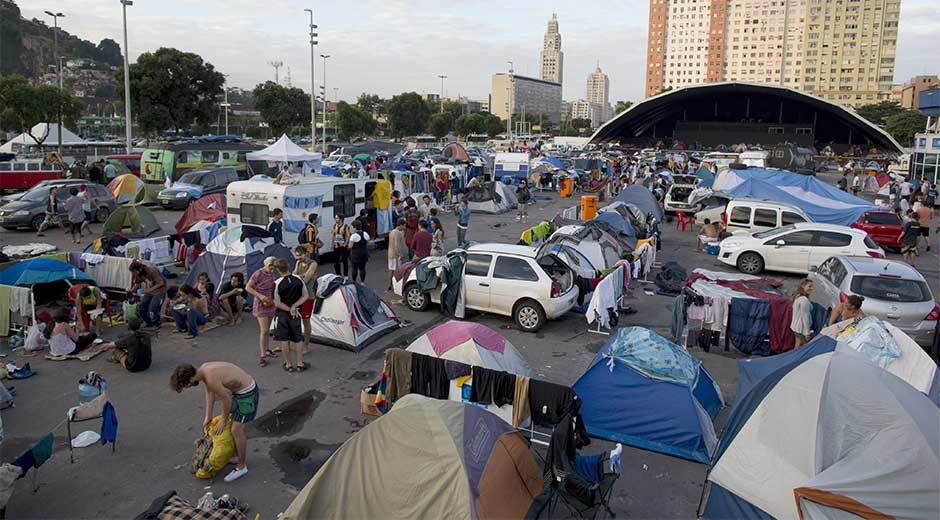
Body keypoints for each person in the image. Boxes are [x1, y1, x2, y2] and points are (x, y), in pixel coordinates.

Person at [170, 362, 258, 483]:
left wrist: (223, 420)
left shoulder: (210, 377)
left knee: (236, 429)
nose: (188, 387)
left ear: (190, 379)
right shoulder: (204, 370)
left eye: (186, 385)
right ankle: (236, 456)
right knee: (232, 427)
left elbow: (225, 399)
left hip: (247, 395)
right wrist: (208, 416)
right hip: (238, 393)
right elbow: (209, 393)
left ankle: (242, 466)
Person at [273, 259, 309, 372]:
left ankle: (288, 364)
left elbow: (277, 302)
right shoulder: (298, 279)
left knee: (284, 339)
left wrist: (289, 309)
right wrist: (294, 306)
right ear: (288, 266)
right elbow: (305, 295)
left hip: (282, 314)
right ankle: (299, 363)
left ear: (277, 270)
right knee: (298, 339)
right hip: (296, 313)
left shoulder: (277, 283)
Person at [246, 257, 278, 366]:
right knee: (264, 330)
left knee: (267, 330)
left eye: (274, 266)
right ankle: (263, 355)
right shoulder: (258, 273)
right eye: (271, 266)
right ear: (266, 264)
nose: (273, 268)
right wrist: (260, 296)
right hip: (261, 303)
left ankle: (267, 349)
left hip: (270, 302)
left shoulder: (272, 273)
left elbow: (273, 286)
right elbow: (248, 287)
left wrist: (273, 299)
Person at [292, 247, 317, 351]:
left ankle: (306, 346)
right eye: (297, 255)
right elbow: (294, 275)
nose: (298, 258)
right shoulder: (298, 262)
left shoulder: (313, 264)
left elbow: (306, 279)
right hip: (297, 296)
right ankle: (297, 342)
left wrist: (299, 276)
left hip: (308, 296)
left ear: (306, 253)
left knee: (306, 321)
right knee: (294, 321)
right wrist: (302, 275)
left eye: (300, 255)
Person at [130, 260, 167, 329]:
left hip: (159, 291)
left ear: (138, 270)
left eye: (133, 272)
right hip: (150, 292)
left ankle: (157, 323)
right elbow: (137, 283)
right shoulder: (138, 274)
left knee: (153, 308)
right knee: (141, 308)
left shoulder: (152, 271)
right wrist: (131, 291)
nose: (133, 274)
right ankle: (149, 323)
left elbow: (161, 283)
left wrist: (150, 289)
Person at [790, 279, 814, 348]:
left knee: (797, 345)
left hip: (796, 327)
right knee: (801, 347)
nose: (812, 288)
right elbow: (805, 317)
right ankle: (795, 358)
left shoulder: (798, 296)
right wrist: (807, 333)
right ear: (803, 286)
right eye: (809, 286)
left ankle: (793, 358)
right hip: (801, 329)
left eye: (812, 286)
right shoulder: (804, 300)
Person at [387, 219, 408, 291]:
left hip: (390, 254)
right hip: (395, 255)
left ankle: (389, 284)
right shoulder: (398, 233)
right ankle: (396, 286)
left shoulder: (392, 232)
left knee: (391, 270)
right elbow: (397, 245)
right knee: (397, 271)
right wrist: (400, 254)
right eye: (404, 226)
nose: (404, 227)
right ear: (401, 225)